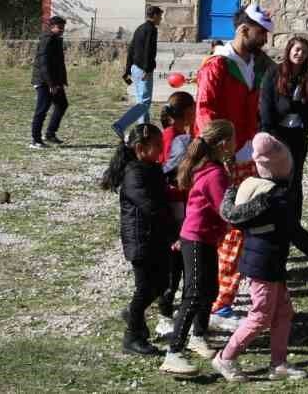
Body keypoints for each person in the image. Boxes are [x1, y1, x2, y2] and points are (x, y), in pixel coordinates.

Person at [210, 133, 308, 382]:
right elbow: (294, 231)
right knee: (260, 315)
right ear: (283, 168)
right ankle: (226, 358)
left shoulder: (250, 186)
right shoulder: (278, 198)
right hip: (265, 265)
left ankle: (278, 363)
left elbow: (233, 212)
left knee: (283, 312)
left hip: (262, 262)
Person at [194, 3, 274, 329]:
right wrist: (220, 150)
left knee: (239, 230)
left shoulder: (253, 64)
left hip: (245, 154)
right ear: (244, 30)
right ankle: (217, 302)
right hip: (226, 156)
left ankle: (220, 295)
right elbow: (205, 109)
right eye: (261, 32)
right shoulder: (218, 65)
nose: (265, 39)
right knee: (228, 229)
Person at [161, 119, 236, 376]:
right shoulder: (213, 173)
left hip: (205, 238)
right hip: (196, 239)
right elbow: (226, 209)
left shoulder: (213, 167)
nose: (236, 144)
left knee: (209, 289)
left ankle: (198, 335)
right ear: (224, 144)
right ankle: (173, 353)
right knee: (193, 294)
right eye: (234, 139)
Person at [100, 123, 176, 357]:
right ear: (140, 148)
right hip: (141, 240)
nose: (161, 150)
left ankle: (133, 312)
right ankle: (132, 336)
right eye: (157, 146)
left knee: (162, 283)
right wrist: (175, 227)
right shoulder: (134, 174)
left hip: (155, 238)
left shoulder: (150, 166)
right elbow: (150, 206)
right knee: (145, 287)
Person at [258, 36, 308, 221]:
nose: (300, 54)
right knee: (275, 180)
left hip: (298, 136)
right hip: (277, 135)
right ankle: (274, 221)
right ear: (289, 50)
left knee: (295, 181)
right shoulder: (273, 73)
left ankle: (294, 224)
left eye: (304, 51)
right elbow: (265, 104)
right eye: (297, 49)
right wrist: (267, 134)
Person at [154, 93, 198, 337]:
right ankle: (165, 312)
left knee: (179, 260)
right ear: (188, 112)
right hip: (176, 205)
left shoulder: (174, 135)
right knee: (175, 260)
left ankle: (172, 307)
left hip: (180, 203)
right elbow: (169, 171)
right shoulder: (175, 138)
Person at [114, 6, 164, 140]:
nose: (160, 19)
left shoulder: (139, 28)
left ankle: (144, 130)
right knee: (144, 103)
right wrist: (147, 70)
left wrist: (128, 70)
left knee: (141, 101)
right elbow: (149, 50)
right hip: (143, 70)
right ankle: (121, 124)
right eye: (159, 16)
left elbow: (131, 49)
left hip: (135, 68)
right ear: (153, 15)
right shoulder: (151, 29)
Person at [29, 15, 69, 149]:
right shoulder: (47, 40)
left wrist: (60, 81)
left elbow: (57, 63)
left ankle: (50, 134)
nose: (62, 30)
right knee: (42, 109)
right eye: (60, 27)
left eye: (63, 27)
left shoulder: (56, 39)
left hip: (54, 81)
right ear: (52, 27)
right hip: (44, 80)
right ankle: (35, 140)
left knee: (62, 104)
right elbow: (44, 63)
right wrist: (50, 83)